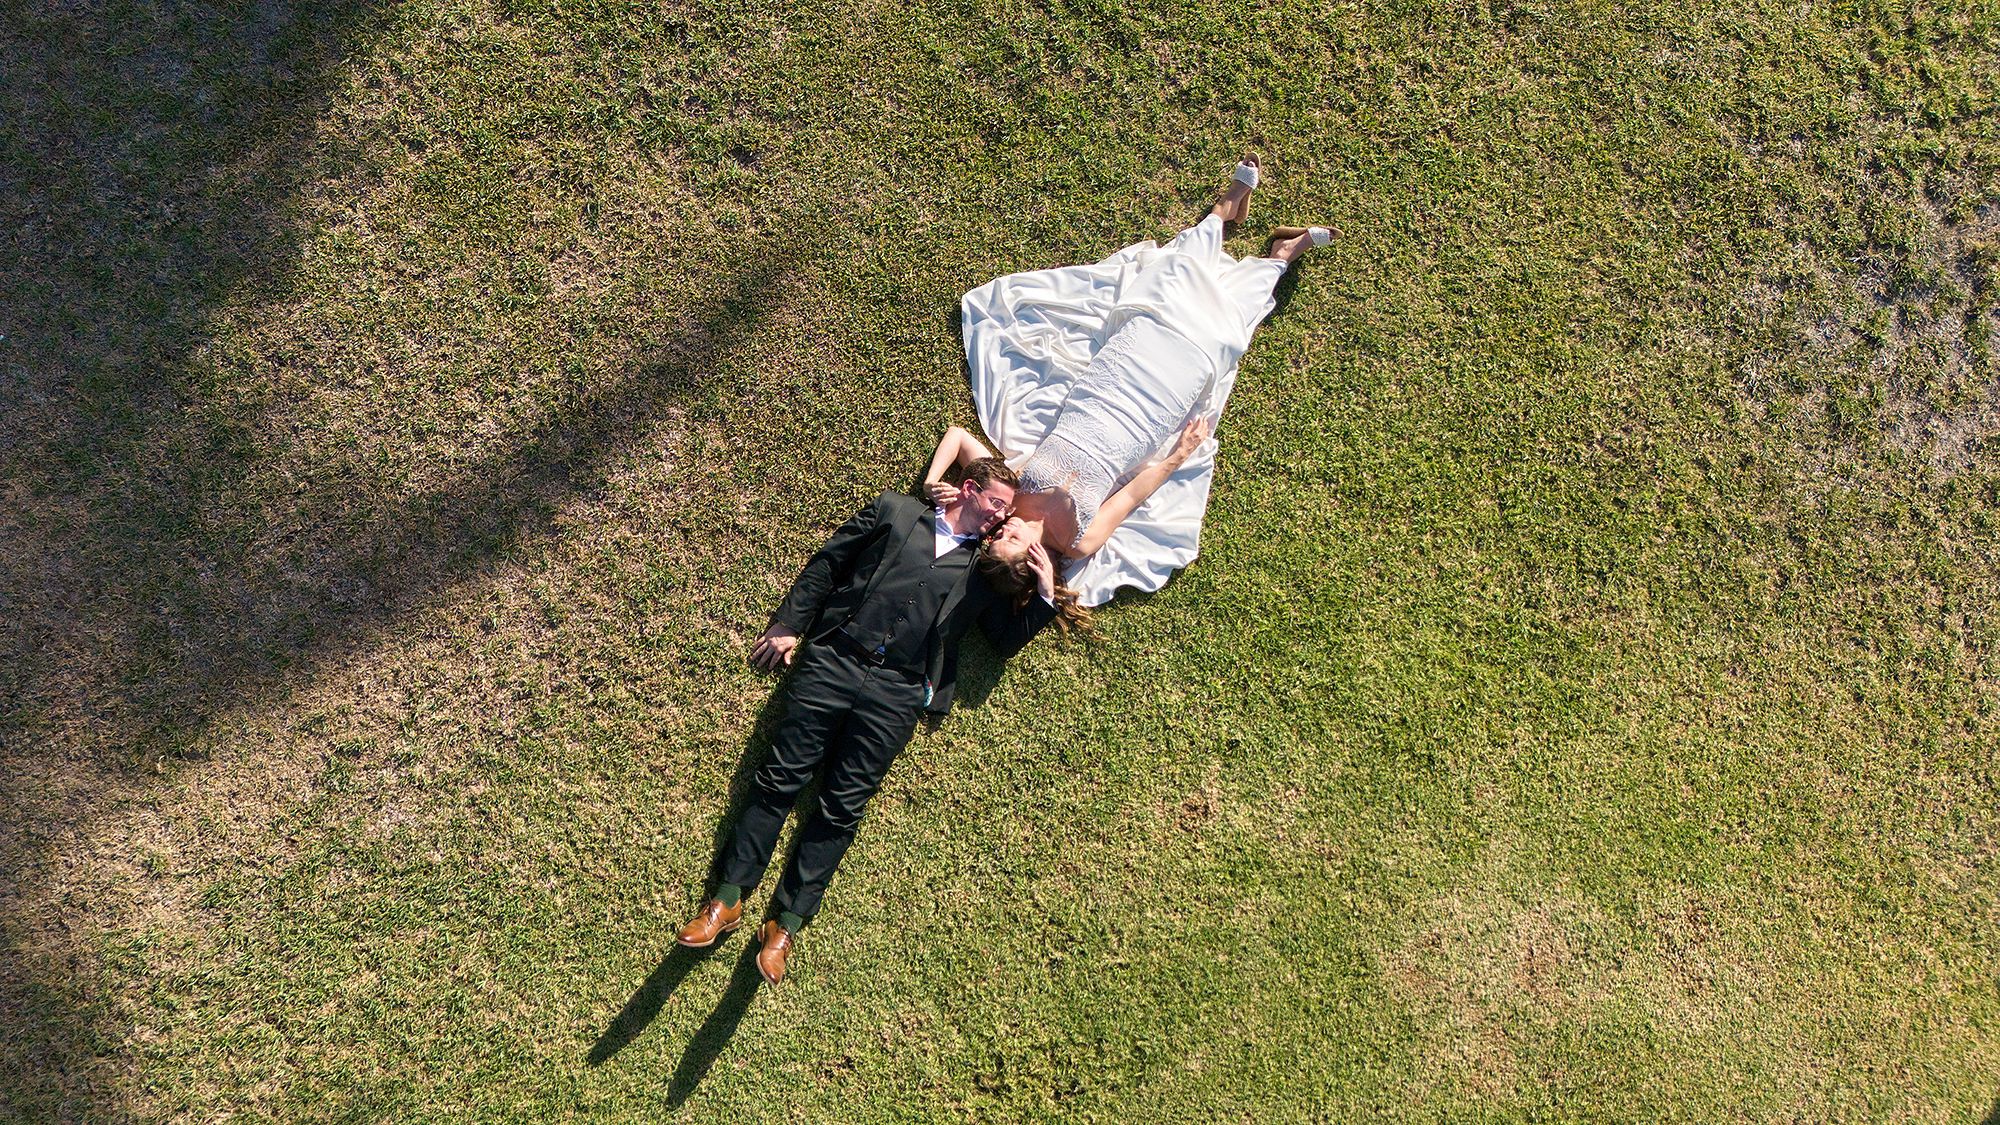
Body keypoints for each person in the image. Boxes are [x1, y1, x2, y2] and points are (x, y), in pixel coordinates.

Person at [674, 458, 1059, 984]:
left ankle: (784, 924)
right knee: (780, 779)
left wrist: (1044, 591)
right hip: (834, 661)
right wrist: (789, 625)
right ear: (969, 490)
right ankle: (726, 900)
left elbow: (1005, 640)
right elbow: (828, 564)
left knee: (842, 806)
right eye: (998, 503)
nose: (1002, 517)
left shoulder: (986, 571)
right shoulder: (895, 512)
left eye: (1006, 511)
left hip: (897, 693)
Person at [952, 155, 1332, 606]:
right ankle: (1280, 258)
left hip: (1107, 386)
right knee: (1215, 344)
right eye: (1008, 541)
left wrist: (943, 490)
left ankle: (1223, 212)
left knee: (1164, 305)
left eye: (996, 536)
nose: (1003, 530)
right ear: (1033, 562)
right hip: (1148, 418)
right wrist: (1179, 455)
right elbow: (1131, 495)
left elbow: (962, 446)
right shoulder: (1079, 544)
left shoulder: (1009, 498)